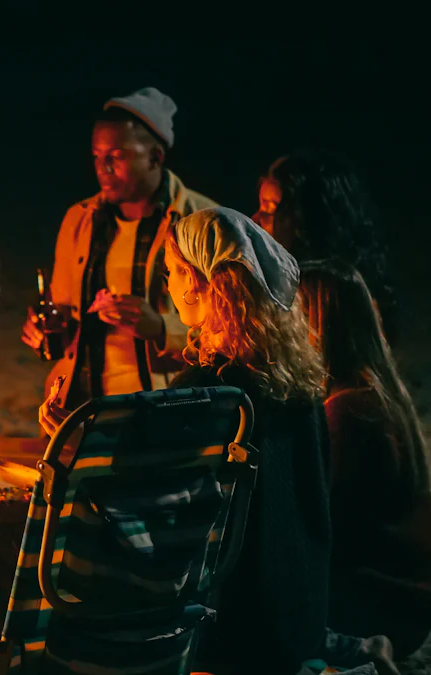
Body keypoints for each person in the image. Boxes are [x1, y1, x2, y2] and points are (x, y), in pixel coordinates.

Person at [39, 208, 397, 674]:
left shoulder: (207, 395)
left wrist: (74, 444)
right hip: (298, 614)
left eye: (170, 273)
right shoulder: (300, 384)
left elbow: (139, 509)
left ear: (193, 281)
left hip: (223, 627)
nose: (167, 286)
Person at [22, 87, 217, 408]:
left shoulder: (200, 222)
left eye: (116, 156)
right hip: (78, 404)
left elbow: (230, 335)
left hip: (164, 406)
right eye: (97, 157)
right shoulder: (80, 219)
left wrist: (161, 329)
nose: (103, 168)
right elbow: (63, 313)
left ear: (155, 157)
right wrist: (46, 331)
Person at [299, 259, 431, 657]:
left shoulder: (348, 411)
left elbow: (327, 530)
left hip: (374, 603)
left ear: (317, 324)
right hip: (403, 599)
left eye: (291, 314)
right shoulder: (377, 395)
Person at [252, 152, 396, 337]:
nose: (255, 220)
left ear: (307, 221)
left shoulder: (334, 304)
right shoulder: (278, 280)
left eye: (270, 210)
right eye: (261, 207)